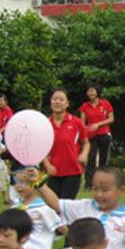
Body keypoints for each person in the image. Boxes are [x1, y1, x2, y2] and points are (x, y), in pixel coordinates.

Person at [43, 89, 90, 227]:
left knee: (66, 205)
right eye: (54, 99)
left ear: (67, 103)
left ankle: (70, 241)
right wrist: (47, 165)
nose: (57, 102)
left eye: (61, 99)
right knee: (53, 206)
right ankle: (59, 231)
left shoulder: (75, 122)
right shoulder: (44, 124)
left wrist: (84, 154)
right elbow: (41, 149)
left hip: (73, 171)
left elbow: (86, 142)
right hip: (53, 172)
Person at [11, 170, 63, 249]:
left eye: (24, 183)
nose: (19, 187)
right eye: (16, 182)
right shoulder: (15, 208)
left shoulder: (43, 209)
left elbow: (60, 226)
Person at [79, 83, 114, 191]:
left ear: (97, 92)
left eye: (92, 91)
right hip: (91, 136)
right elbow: (82, 123)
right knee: (91, 159)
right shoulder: (85, 106)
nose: (90, 93)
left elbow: (111, 119)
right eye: (89, 91)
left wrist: (98, 124)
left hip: (104, 134)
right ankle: (89, 183)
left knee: (103, 160)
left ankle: (104, 183)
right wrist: (86, 130)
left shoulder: (105, 104)